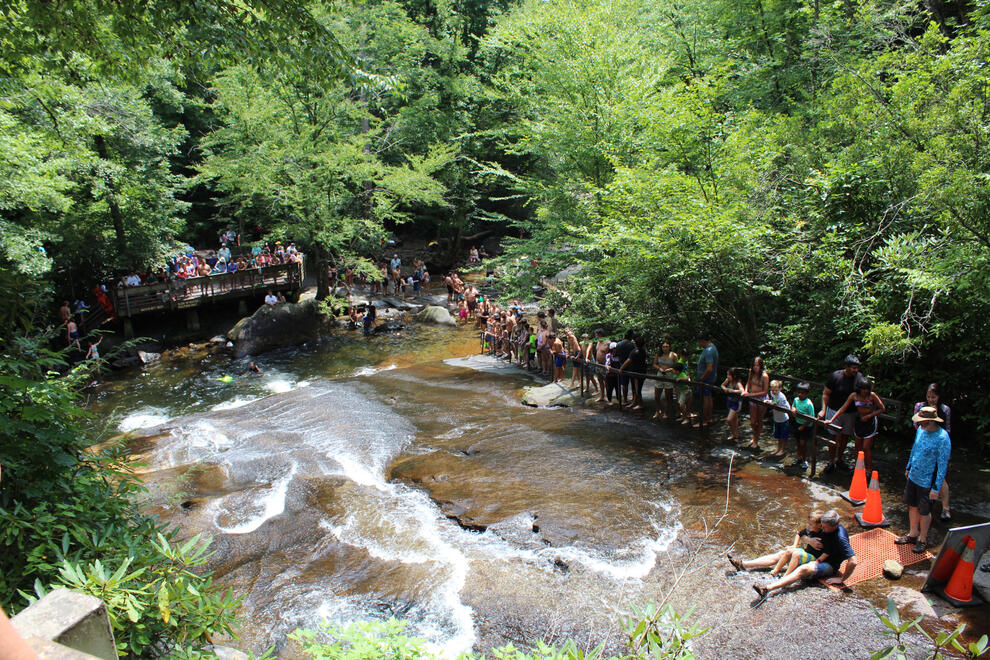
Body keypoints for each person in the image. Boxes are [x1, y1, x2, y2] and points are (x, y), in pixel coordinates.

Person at [752, 509, 858, 597]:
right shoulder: (826, 526)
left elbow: (853, 561)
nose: (822, 529)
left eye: (824, 527)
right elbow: (803, 533)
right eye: (821, 526)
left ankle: (767, 589)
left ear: (834, 526)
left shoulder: (840, 538)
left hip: (829, 564)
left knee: (803, 569)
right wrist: (808, 540)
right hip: (816, 556)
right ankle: (744, 564)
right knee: (784, 553)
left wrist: (842, 579)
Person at [896, 406, 951, 554]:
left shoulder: (942, 438)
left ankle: (922, 539)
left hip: (928, 481)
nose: (919, 423)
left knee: (924, 511)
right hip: (914, 476)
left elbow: (942, 465)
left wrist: (936, 487)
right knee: (912, 506)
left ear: (930, 420)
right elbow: (915, 449)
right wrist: (908, 467)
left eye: (922, 421)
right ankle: (912, 533)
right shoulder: (920, 430)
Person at [727, 510, 824, 577]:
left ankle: (784, 575)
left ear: (820, 525)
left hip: (812, 557)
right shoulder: (809, 530)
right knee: (781, 554)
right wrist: (795, 544)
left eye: (811, 524)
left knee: (794, 554)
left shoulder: (823, 535)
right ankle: (744, 564)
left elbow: (827, 551)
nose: (808, 526)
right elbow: (799, 534)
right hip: (805, 553)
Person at [818, 355, 868, 474]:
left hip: (850, 413)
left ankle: (839, 459)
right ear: (846, 367)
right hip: (834, 410)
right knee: (833, 436)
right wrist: (823, 410)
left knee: (845, 436)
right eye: (853, 368)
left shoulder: (859, 378)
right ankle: (830, 462)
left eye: (857, 368)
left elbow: (864, 394)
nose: (855, 370)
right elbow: (826, 394)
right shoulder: (836, 376)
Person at [826, 379, 885, 474]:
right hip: (859, 422)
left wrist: (869, 416)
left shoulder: (872, 395)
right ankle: (859, 468)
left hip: (870, 422)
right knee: (858, 447)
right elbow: (843, 408)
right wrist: (831, 420)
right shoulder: (854, 396)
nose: (865, 391)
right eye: (863, 389)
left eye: (867, 389)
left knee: (866, 448)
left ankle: (869, 470)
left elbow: (882, 409)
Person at [913, 383, 952, 520]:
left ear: (938, 397)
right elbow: (916, 424)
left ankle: (946, 508)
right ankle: (924, 502)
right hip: (923, 445)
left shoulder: (944, 409)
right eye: (929, 396)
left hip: (938, 445)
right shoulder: (919, 406)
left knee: (941, 476)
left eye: (934, 397)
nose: (931, 399)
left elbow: (946, 428)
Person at [744, 356, 770, 450]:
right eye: (754, 365)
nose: (755, 367)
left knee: (759, 421)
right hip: (752, 398)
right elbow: (748, 383)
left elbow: (765, 391)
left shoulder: (764, 376)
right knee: (752, 421)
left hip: (761, 399)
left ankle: (756, 440)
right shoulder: (751, 372)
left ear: (761, 366)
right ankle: (754, 436)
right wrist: (746, 391)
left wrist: (750, 395)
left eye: (757, 365)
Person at [790, 382, 816, 470]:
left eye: (802, 393)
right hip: (798, 423)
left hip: (807, 425)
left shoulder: (809, 404)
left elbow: (811, 418)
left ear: (807, 394)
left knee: (803, 442)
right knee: (798, 442)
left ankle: (804, 460)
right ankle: (799, 457)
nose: (800, 394)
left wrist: (804, 426)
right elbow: (793, 406)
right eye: (799, 392)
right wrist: (793, 409)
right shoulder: (796, 400)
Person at [620, 336, 649, 410]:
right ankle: (635, 402)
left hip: (637, 373)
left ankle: (640, 404)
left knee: (637, 389)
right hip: (642, 372)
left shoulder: (634, 351)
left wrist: (621, 368)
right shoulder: (644, 351)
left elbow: (628, 361)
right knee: (636, 388)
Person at [696, 333, 718, 427]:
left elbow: (709, 368)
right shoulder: (712, 348)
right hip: (710, 378)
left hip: (706, 380)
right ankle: (709, 418)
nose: (699, 344)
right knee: (708, 398)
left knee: (705, 399)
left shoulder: (709, 351)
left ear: (703, 341)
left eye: (699, 342)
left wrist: (701, 379)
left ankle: (704, 420)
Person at [653, 341, 678, 420]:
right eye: (663, 346)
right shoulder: (658, 354)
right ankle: (658, 410)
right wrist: (659, 368)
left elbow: (676, 366)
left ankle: (666, 412)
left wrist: (669, 369)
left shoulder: (673, 355)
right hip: (660, 375)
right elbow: (654, 364)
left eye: (667, 346)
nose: (665, 348)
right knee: (657, 396)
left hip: (669, 376)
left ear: (669, 347)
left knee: (668, 396)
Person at [767, 380, 790, 459]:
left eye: (776, 390)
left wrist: (777, 405)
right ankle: (779, 448)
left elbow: (788, 408)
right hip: (776, 418)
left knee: (784, 436)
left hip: (783, 419)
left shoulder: (782, 397)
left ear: (780, 389)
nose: (774, 392)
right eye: (772, 390)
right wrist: (770, 401)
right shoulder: (772, 394)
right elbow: (773, 401)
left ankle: (783, 450)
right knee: (778, 435)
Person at [721, 368, 745, 442]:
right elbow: (722, 385)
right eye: (727, 375)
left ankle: (734, 434)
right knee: (734, 420)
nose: (727, 376)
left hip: (736, 403)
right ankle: (735, 434)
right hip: (729, 401)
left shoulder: (737, 383)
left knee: (729, 419)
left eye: (729, 375)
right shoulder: (728, 380)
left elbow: (742, 390)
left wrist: (734, 391)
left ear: (734, 376)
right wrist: (725, 389)